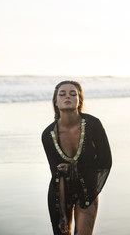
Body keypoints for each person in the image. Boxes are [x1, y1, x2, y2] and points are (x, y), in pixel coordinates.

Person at [41, 80, 112, 235]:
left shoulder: (93, 125)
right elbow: (56, 175)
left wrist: (91, 189)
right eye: (62, 94)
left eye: (73, 94)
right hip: (60, 193)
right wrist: (63, 217)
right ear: (56, 101)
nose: (68, 97)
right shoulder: (48, 135)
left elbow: (105, 161)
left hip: (87, 190)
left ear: (80, 100)